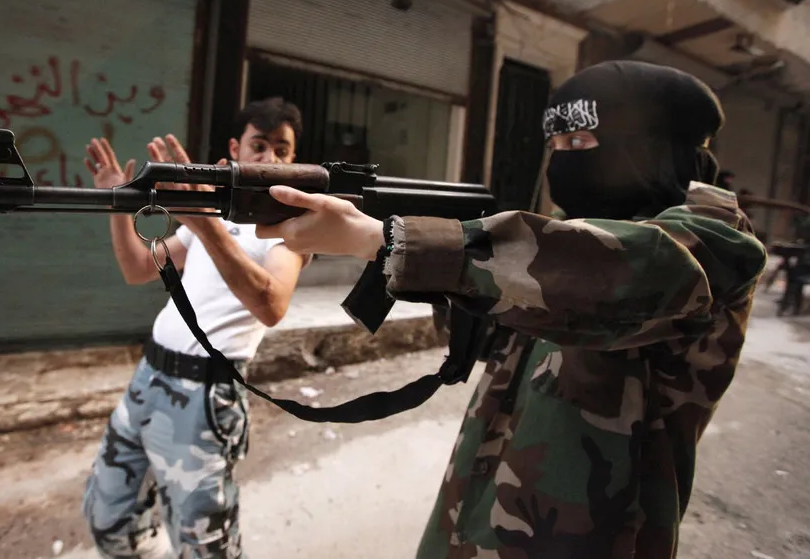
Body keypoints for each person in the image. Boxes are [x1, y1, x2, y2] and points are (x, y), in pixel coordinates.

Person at [256, 61, 768, 558]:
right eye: (555, 146)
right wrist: (438, 275)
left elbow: (617, 274)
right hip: (477, 514)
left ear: (649, 148)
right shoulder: (563, 237)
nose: (561, 160)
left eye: (579, 143)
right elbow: (502, 337)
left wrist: (388, 241)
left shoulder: (713, 240)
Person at [80, 98, 310, 559]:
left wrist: (205, 223)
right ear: (235, 149)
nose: (270, 159)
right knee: (110, 520)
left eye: (282, 150)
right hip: (148, 380)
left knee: (207, 548)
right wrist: (118, 202)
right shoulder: (210, 215)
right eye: (259, 146)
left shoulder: (289, 229)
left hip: (204, 399)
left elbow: (271, 305)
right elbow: (137, 268)